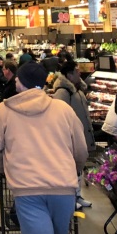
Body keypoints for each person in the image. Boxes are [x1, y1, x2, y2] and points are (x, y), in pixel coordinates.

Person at [0, 62, 89, 234]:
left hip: (27, 189)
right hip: (64, 188)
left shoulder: (4, 111)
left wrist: (5, 169)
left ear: (20, 82)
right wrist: (75, 169)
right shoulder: (63, 109)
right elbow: (81, 149)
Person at [50, 59, 95, 209]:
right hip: (70, 136)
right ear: (69, 75)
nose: (79, 73)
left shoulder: (78, 89)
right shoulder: (63, 92)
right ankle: (71, 198)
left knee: (78, 167)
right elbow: (58, 115)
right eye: (76, 71)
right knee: (70, 168)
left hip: (81, 132)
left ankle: (78, 195)